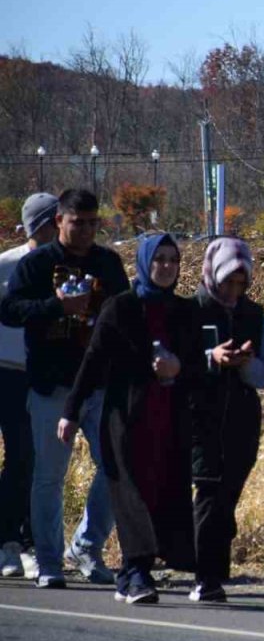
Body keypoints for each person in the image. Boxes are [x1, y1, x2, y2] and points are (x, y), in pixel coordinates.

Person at [62, 233, 201, 604]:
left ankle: (130, 573)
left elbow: (199, 368)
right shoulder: (120, 308)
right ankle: (138, 573)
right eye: (159, 259)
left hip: (169, 419)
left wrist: (179, 365)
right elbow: (93, 362)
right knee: (130, 493)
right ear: (144, 263)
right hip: (126, 418)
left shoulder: (186, 311)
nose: (167, 267)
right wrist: (71, 413)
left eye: (173, 260)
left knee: (161, 491)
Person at [0, 189, 126, 588]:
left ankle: (87, 545)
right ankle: (50, 560)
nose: (86, 229)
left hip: (98, 384)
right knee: (48, 476)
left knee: (115, 466)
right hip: (50, 384)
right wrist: (56, 307)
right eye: (78, 222)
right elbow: (11, 311)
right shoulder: (37, 265)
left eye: (92, 222)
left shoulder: (107, 263)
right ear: (59, 222)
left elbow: (127, 312)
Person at [189, 237, 264, 603]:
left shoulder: (254, 316)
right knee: (208, 491)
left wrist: (246, 365)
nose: (234, 290)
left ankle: (214, 569)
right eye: (228, 281)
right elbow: (177, 362)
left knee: (227, 495)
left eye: (242, 283)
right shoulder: (191, 310)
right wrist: (212, 358)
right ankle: (205, 576)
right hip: (201, 414)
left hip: (240, 418)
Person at [0, 193, 59, 579]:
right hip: (4, 371)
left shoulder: (66, 266)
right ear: (40, 225)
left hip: (41, 373)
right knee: (22, 456)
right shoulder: (6, 264)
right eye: (57, 220)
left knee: (34, 461)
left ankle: (23, 541)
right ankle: (8, 541)